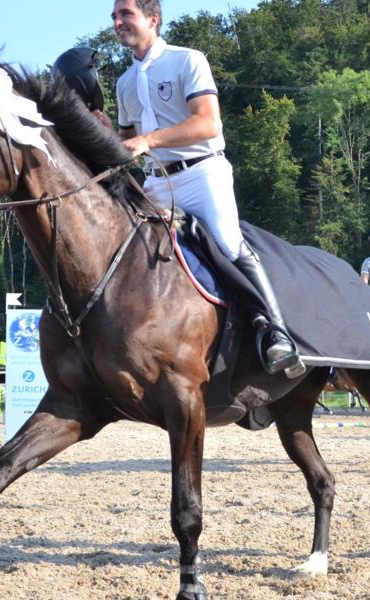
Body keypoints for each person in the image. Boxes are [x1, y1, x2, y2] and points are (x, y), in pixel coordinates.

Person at [111, 0, 303, 377]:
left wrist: (149, 139)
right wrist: (102, 130)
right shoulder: (124, 82)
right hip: (156, 180)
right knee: (125, 249)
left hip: (202, 173)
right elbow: (126, 142)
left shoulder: (187, 60)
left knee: (228, 243)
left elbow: (209, 124)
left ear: (153, 19)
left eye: (125, 15)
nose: (117, 23)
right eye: (115, 17)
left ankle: (276, 332)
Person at [51, 46, 114, 130]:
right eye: (97, 73)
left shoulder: (56, 126)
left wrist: (109, 131)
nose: (100, 78)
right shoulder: (66, 130)